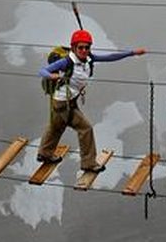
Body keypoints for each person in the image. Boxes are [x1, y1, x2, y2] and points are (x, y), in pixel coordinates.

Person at [37, 28, 146, 173]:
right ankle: (88, 163)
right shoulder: (67, 62)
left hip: (69, 100)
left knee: (57, 126)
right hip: (63, 103)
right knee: (85, 128)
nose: (84, 50)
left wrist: (132, 53)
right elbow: (43, 71)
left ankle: (44, 154)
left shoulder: (89, 59)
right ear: (74, 47)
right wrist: (52, 76)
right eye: (80, 47)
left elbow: (110, 57)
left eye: (87, 47)